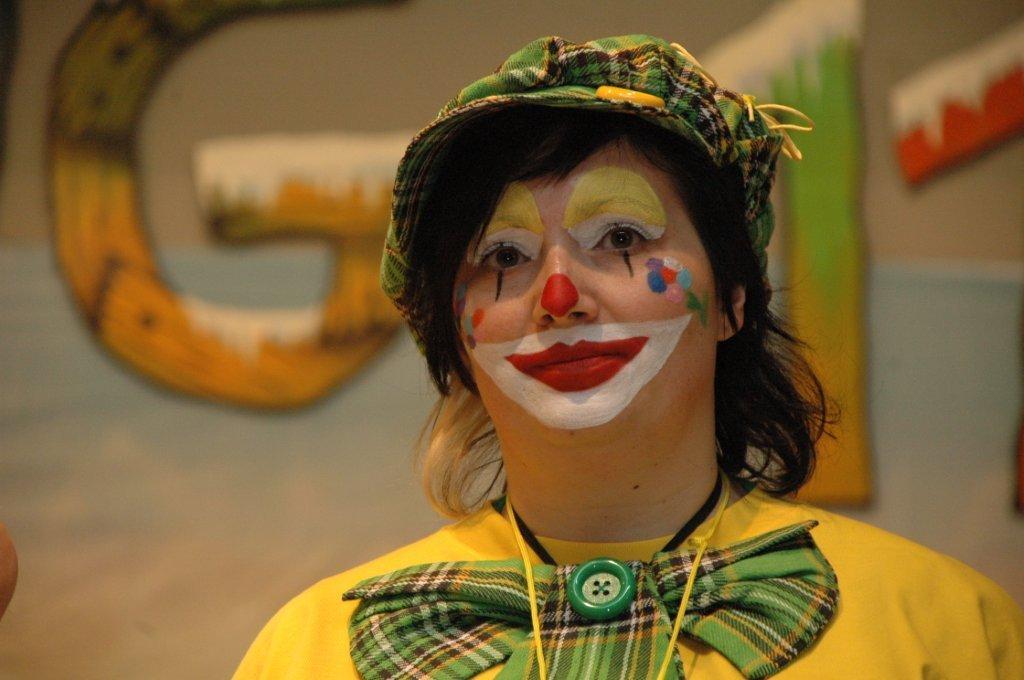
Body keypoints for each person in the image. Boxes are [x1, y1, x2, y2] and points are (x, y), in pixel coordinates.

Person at [233, 35, 1024, 679]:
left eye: (620, 237)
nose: (558, 296)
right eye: (502, 255)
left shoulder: (945, 627)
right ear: (455, 337)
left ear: (732, 301)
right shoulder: (307, 652)